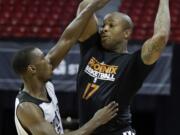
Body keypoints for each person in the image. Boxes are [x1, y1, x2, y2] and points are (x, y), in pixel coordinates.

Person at [12, 0, 119, 135]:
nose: (48, 60)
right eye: (43, 59)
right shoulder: (27, 108)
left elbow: (67, 39)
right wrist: (96, 121)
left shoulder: (41, 81)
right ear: (32, 69)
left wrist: (90, 7)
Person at [76, 0, 170, 134]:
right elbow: (85, 7)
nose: (105, 29)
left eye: (111, 25)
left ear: (126, 33)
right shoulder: (91, 47)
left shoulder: (133, 63)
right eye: (104, 25)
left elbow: (160, 37)